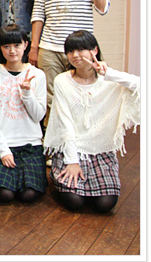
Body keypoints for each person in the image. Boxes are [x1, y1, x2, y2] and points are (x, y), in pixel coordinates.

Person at [43, 30, 139, 213]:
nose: (75, 55)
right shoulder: (62, 80)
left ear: (94, 50)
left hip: (100, 151)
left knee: (105, 204)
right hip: (71, 148)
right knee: (74, 202)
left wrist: (109, 73)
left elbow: (141, 87)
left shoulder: (109, 80)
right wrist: (72, 161)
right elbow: (65, 124)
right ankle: (58, 176)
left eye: (81, 49)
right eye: (70, 51)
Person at [30, 0, 109, 127]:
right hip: (50, 47)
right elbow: (38, 13)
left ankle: (80, 138)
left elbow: (103, 8)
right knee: (50, 98)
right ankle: (53, 142)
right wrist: (34, 47)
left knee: (82, 94)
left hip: (81, 49)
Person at [0, 24, 47, 203]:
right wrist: (3, 151)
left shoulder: (37, 75)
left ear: (26, 45)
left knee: (29, 195)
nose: (12, 51)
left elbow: (38, 116)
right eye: (6, 46)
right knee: (4, 194)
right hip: (0, 144)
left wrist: (27, 93)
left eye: (17, 45)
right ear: (0, 48)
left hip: (30, 145)